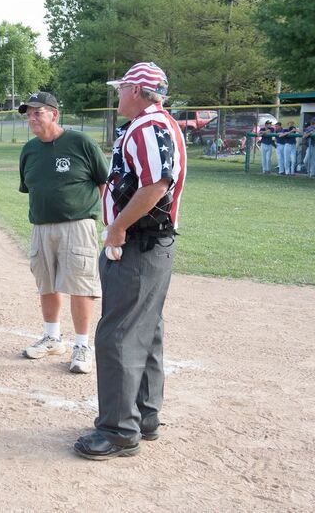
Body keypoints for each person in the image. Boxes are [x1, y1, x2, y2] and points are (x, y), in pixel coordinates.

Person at [74, 62, 186, 460]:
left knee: (118, 334)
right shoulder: (158, 123)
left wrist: (118, 228)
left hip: (138, 244)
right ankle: (144, 416)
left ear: (138, 91)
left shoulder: (147, 126)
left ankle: (119, 431)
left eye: (122, 88)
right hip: (152, 245)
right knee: (145, 330)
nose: (117, 94)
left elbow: (157, 184)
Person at [17, 91, 109, 373]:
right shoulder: (29, 150)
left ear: (54, 114)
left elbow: (104, 183)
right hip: (41, 227)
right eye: (29, 113)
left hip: (78, 225)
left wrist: (110, 222)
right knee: (47, 283)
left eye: (38, 112)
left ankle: (82, 345)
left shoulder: (80, 142)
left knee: (80, 284)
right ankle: (52, 337)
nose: (32, 118)